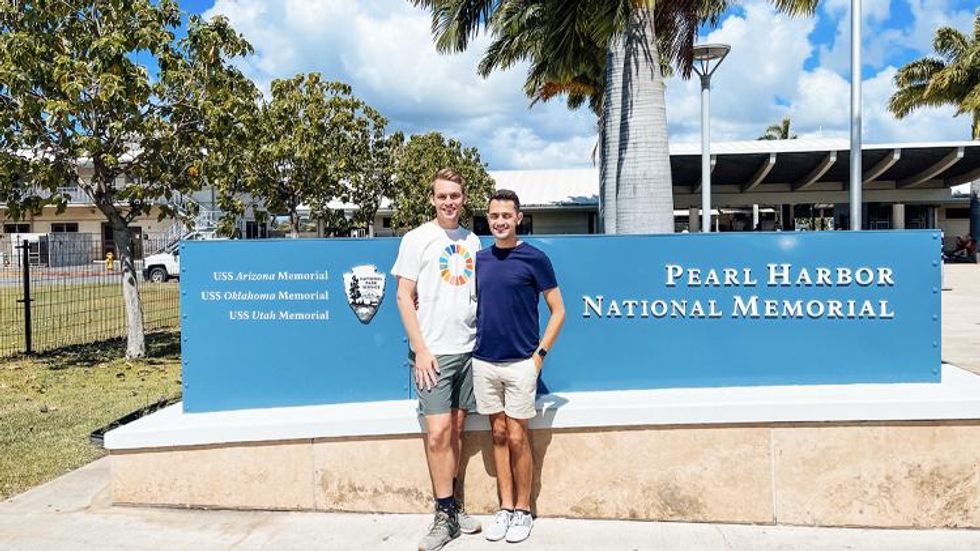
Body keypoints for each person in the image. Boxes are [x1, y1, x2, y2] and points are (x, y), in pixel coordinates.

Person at [391, 168, 483, 551]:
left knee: (458, 432)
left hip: (469, 350)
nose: (449, 202)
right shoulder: (417, 240)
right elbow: (402, 296)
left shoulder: (474, 240)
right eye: (442, 196)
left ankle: (455, 506)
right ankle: (442, 514)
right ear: (432, 199)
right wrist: (421, 350)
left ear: (464, 198)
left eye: (455, 195)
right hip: (434, 353)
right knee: (438, 435)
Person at [472, 189, 566, 544]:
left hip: (521, 364)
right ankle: (505, 509)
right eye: (494, 216)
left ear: (518, 218)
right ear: (488, 218)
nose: (500, 222)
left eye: (506, 216)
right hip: (484, 362)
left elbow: (559, 311)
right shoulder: (479, 260)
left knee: (516, 436)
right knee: (496, 434)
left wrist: (538, 357)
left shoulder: (535, 259)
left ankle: (523, 510)